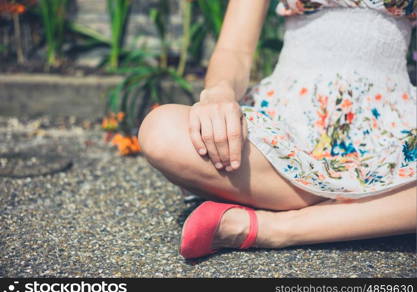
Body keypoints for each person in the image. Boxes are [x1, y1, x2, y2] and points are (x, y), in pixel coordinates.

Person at [138, 0, 417, 259]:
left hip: (391, 125)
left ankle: (277, 226)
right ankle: (378, 206)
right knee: (162, 131)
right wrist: (219, 94)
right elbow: (234, 50)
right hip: (290, 120)